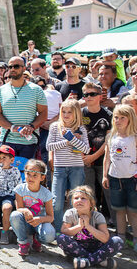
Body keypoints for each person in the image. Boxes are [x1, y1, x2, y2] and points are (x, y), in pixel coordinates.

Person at [0, 56, 48, 159]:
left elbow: (43, 113)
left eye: (16, 66)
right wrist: (12, 127)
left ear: (24, 68)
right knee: (6, 174)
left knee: (27, 174)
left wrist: (31, 126)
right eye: (10, 67)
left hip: (29, 142)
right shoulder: (0, 91)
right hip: (7, 140)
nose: (12, 69)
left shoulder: (36, 90)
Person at [46, 99, 90, 232]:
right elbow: (49, 146)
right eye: (63, 111)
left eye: (69, 112)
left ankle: (75, 229)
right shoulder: (55, 126)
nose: (66, 114)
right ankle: (60, 230)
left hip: (76, 168)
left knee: (76, 201)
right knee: (57, 202)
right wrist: (67, 141)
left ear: (76, 113)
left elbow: (86, 150)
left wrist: (73, 139)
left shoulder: (81, 128)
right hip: (60, 169)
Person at [57, 186, 123, 269]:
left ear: (91, 203)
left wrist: (88, 226)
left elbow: (105, 238)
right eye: (76, 198)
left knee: (118, 241)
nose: (79, 200)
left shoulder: (98, 216)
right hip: (78, 246)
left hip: (97, 246)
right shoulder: (70, 213)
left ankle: (86, 261)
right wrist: (79, 226)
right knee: (61, 238)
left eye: (83, 198)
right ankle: (100, 260)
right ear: (72, 202)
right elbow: (64, 231)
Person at [102, 105, 137, 251]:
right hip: (115, 178)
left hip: (132, 178)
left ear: (130, 119)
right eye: (116, 117)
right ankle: (120, 236)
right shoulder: (111, 136)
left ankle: (135, 237)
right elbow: (107, 157)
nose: (118, 120)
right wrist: (105, 175)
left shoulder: (134, 137)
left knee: (133, 211)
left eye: (123, 118)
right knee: (119, 210)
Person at [81, 82, 113, 221]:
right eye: (86, 94)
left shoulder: (109, 115)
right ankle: (92, 222)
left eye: (92, 94)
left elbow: (108, 141)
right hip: (84, 159)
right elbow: (75, 136)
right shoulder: (80, 113)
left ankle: (116, 224)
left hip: (102, 159)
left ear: (100, 96)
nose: (89, 97)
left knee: (109, 192)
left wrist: (93, 156)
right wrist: (84, 156)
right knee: (88, 192)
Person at [9, 159, 56, 256]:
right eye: (28, 174)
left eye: (35, 175)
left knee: (50, 235)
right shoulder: (20, 189)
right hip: (25, 222)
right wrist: (25, 210)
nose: (31, 177)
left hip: (39, 222)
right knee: (14, 215)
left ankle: (37, 239)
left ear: (42, 177)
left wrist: (39, 219)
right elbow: (19, 208)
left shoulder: (46, 194)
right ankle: (23, 243)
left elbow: (51, 217)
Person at [33, 76, 62, 165]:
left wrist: (51, 122)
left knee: (47, 153)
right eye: (39, 86)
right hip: (37, 127)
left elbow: (61, 110)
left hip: (52, 126)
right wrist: (42, 122)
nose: (42, 89)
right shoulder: (33, 95)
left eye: (43, 86)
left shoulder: (55, 94)